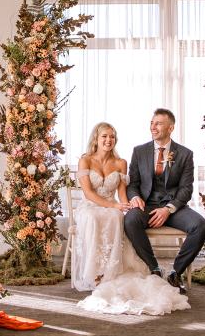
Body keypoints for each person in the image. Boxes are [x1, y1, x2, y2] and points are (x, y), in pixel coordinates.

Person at [73, 122, 189, 315]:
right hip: (91, 206)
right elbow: (88, 193)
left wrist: (128, 206)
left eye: (112, 137)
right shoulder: (85, 160)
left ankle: (109, 272)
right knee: (94, 218)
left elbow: (121, 195)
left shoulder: (120, 163)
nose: (109, 140)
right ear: (96, 138)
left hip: (113, 205)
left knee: (116, 217)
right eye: (104, 136)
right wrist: (113, 205)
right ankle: (94, 273)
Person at [125, 108, 205, 294]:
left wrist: (168, 209)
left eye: (158, 124)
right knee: (130, 220)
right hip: (146, 205)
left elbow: (186, 188)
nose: (153, 127)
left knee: (201, 226)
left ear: (170, 128)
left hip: (174, 208)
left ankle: (175, 273)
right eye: (152, 123)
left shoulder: (185, 154)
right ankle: (154, 268)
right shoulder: (139, 151)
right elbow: (133, 184)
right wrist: (135, 196)